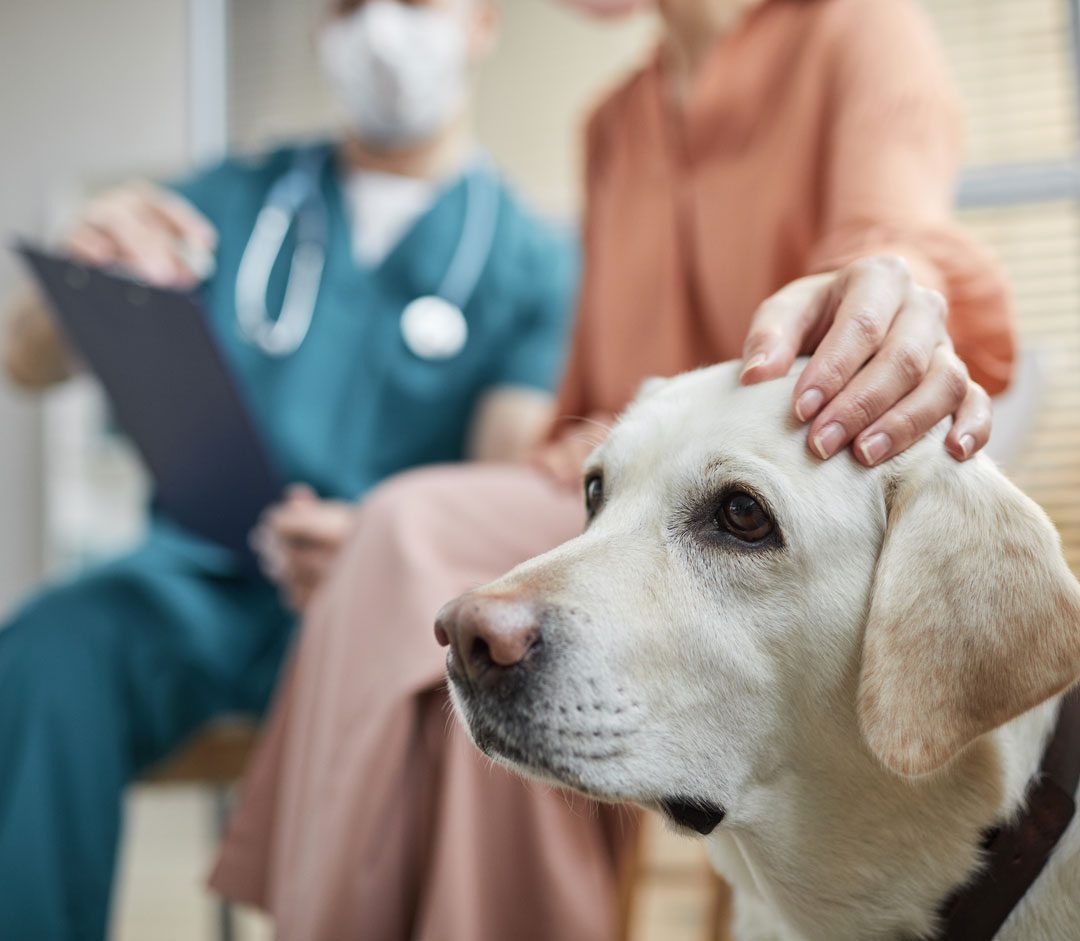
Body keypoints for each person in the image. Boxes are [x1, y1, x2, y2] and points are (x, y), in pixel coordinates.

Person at [210, 0, 1015, 938]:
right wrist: (429, 533)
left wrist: (887, 287)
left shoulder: (856, 29)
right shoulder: (612, 123)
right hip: (611, 497)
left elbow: (894, 234)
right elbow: (587, 414)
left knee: (411, 538)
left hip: (777, 505)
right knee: (411, 555)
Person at [0, 1, 577, 937]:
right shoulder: (239, 200)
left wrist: (376, 548)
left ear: (481, 23)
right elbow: (25, 360)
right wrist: (80, 270)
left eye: (417, 4)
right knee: (48, 650)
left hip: (386, 612)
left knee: (460, 733)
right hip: (197, 588)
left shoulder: (533, 258)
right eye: (350, 4)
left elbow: (500, 475)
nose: (381, 29)